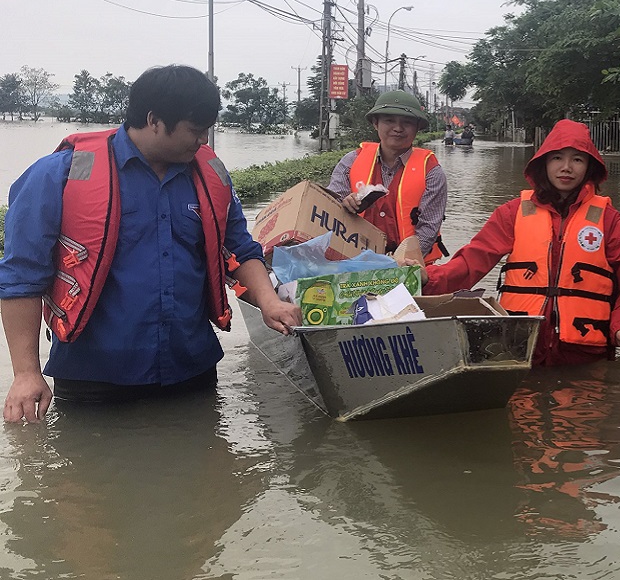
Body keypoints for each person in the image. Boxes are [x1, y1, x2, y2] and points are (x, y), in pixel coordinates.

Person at [0, 65, 300, 422]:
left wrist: (269, 302)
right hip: (93, 379)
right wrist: (26, 373)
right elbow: (21, 277)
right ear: (154, 120)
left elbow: (240, 247)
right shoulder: (60, 175)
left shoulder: (210, 175)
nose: (203, 141)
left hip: (191, 371)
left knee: (203, 471)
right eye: (195, 130)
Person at [420, 119, 620, 367]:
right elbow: (473, 261)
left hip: (585, 352)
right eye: (557, 158)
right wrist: (428, 278)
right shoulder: (512, 212)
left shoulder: (608, 219)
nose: (566, 167)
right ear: (544, 163)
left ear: (589, 166)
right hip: (522, 345)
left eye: (577, 159)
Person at [327, 89, 449, 263]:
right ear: (376, 123)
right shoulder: (351, 161)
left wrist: (399, 264)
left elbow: (428, 229)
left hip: (409, 266)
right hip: (353, 262)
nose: (398, 128)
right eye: (389, 120)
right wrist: (344, 203)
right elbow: (329, 207)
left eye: (407, 122)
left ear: (417, 128)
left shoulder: (431, 172)